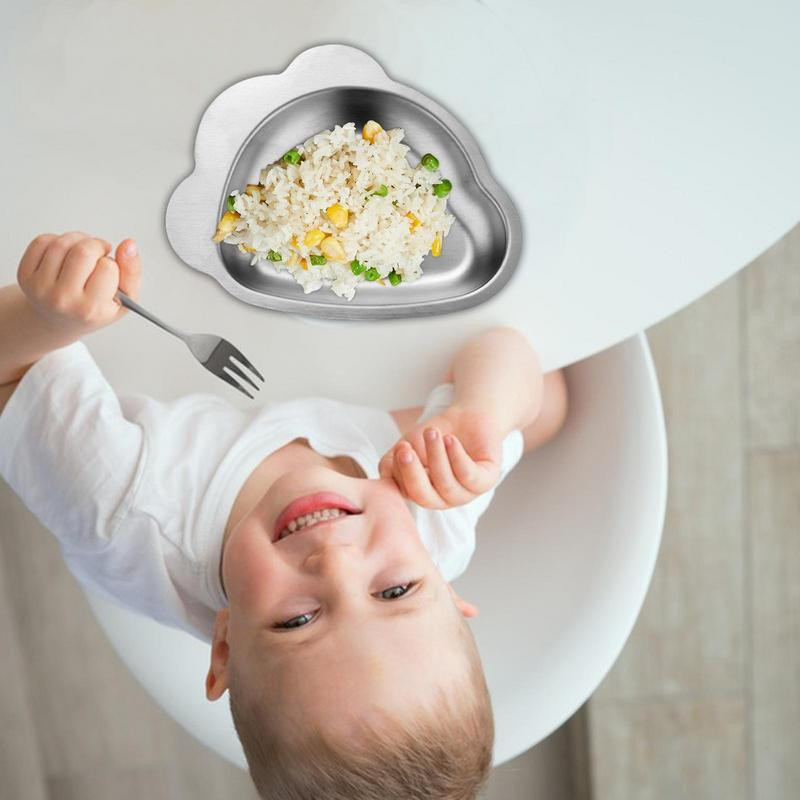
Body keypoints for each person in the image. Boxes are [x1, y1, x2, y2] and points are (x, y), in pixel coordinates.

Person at [0, 232, 568, 799]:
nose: (335, 559)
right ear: (449, 592)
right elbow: (548, 386)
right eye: (394, 592)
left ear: (225, 647)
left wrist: (49, 319)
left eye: (297, 621)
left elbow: (9, 372)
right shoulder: (429, 520)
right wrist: (481, 413)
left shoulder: (124, 502)